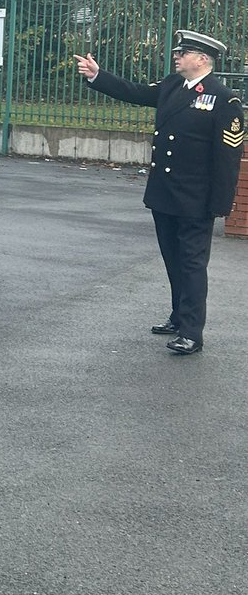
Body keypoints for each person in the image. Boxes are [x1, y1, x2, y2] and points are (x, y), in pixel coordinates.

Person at [75, 30, 244, 354]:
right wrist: (98, 76)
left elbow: (227, 159)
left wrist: (221, 204)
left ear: (202, 59)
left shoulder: (223, 99)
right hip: (165, 194)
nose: (177, 56)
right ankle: (178, 316)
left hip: (195, 199)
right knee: (173, 260)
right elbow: (136, 92)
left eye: (184, 52)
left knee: (192, 265)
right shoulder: (172, 85)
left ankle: (192, 332)